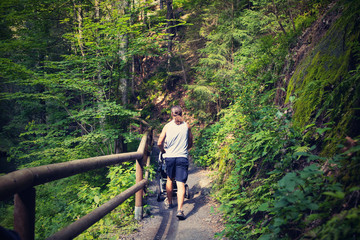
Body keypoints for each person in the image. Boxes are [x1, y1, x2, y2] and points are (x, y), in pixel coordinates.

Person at [157, 106, 193, 220]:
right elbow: (191, 142)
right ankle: (180, 210)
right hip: (182, 157)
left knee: (169, 179)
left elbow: (159, 142)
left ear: (171, 114)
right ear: (182, 113)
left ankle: (170, 202)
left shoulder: (167, 126)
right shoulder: (187, 126)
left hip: (170, 157)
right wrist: (185, 149)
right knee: (181, 183)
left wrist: (163, 150)